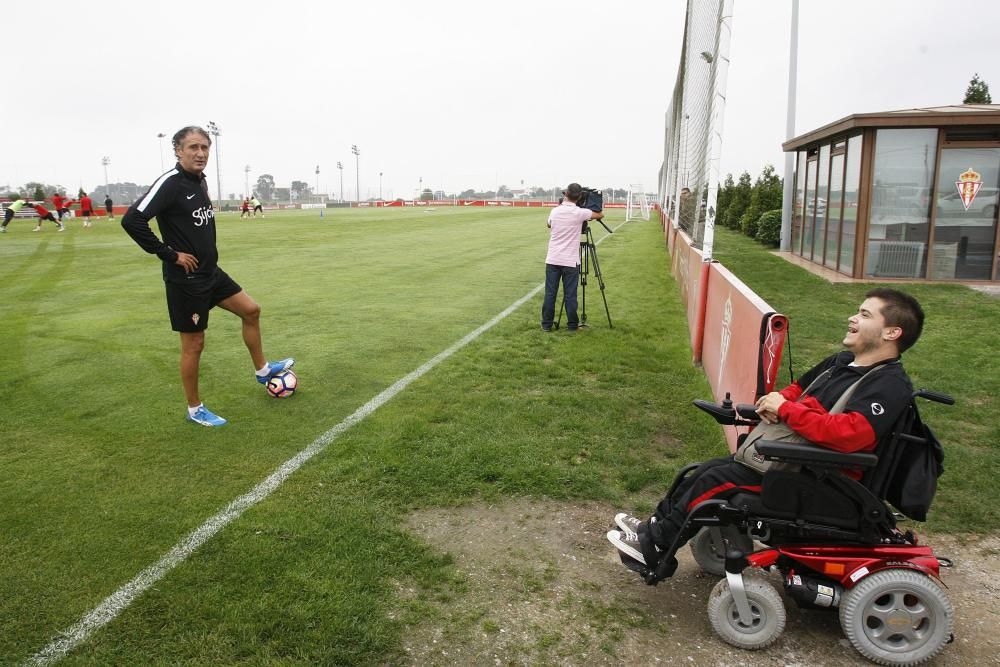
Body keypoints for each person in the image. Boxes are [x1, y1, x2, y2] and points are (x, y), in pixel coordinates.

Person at [607, 288, 925, 577]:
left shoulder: (889, 384)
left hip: (824, 482)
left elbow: (850, 434)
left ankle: (656, 548)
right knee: (707, 469)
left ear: (891, 332)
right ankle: (653, 529)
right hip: (794, 465)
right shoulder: (843, 362)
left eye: (865, 314)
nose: (852, 318)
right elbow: (799, 388)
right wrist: (777, 400)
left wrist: (786, 409)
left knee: (714, 480)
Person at [122, 125, 294, 427]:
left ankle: (262, 370)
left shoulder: (199, 182)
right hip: (185, 280)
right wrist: (169, 254)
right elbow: (132, 219)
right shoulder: (170, 183)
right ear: (178, 150)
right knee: (194, 344)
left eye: (204, 147)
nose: (200, 153)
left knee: (251, 311)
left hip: (211, 273)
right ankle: (195, 408)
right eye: (193, 147)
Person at [541, 182, 604, 332]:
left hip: (553, 259)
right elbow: (600, 214)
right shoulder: (580, 213)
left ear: (565, 194)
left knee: (550, 293)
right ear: (580, 197)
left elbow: (548, 224)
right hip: (570, 261)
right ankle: (572, 326)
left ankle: (546, 325)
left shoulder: (555, 211)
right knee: (570, 295)